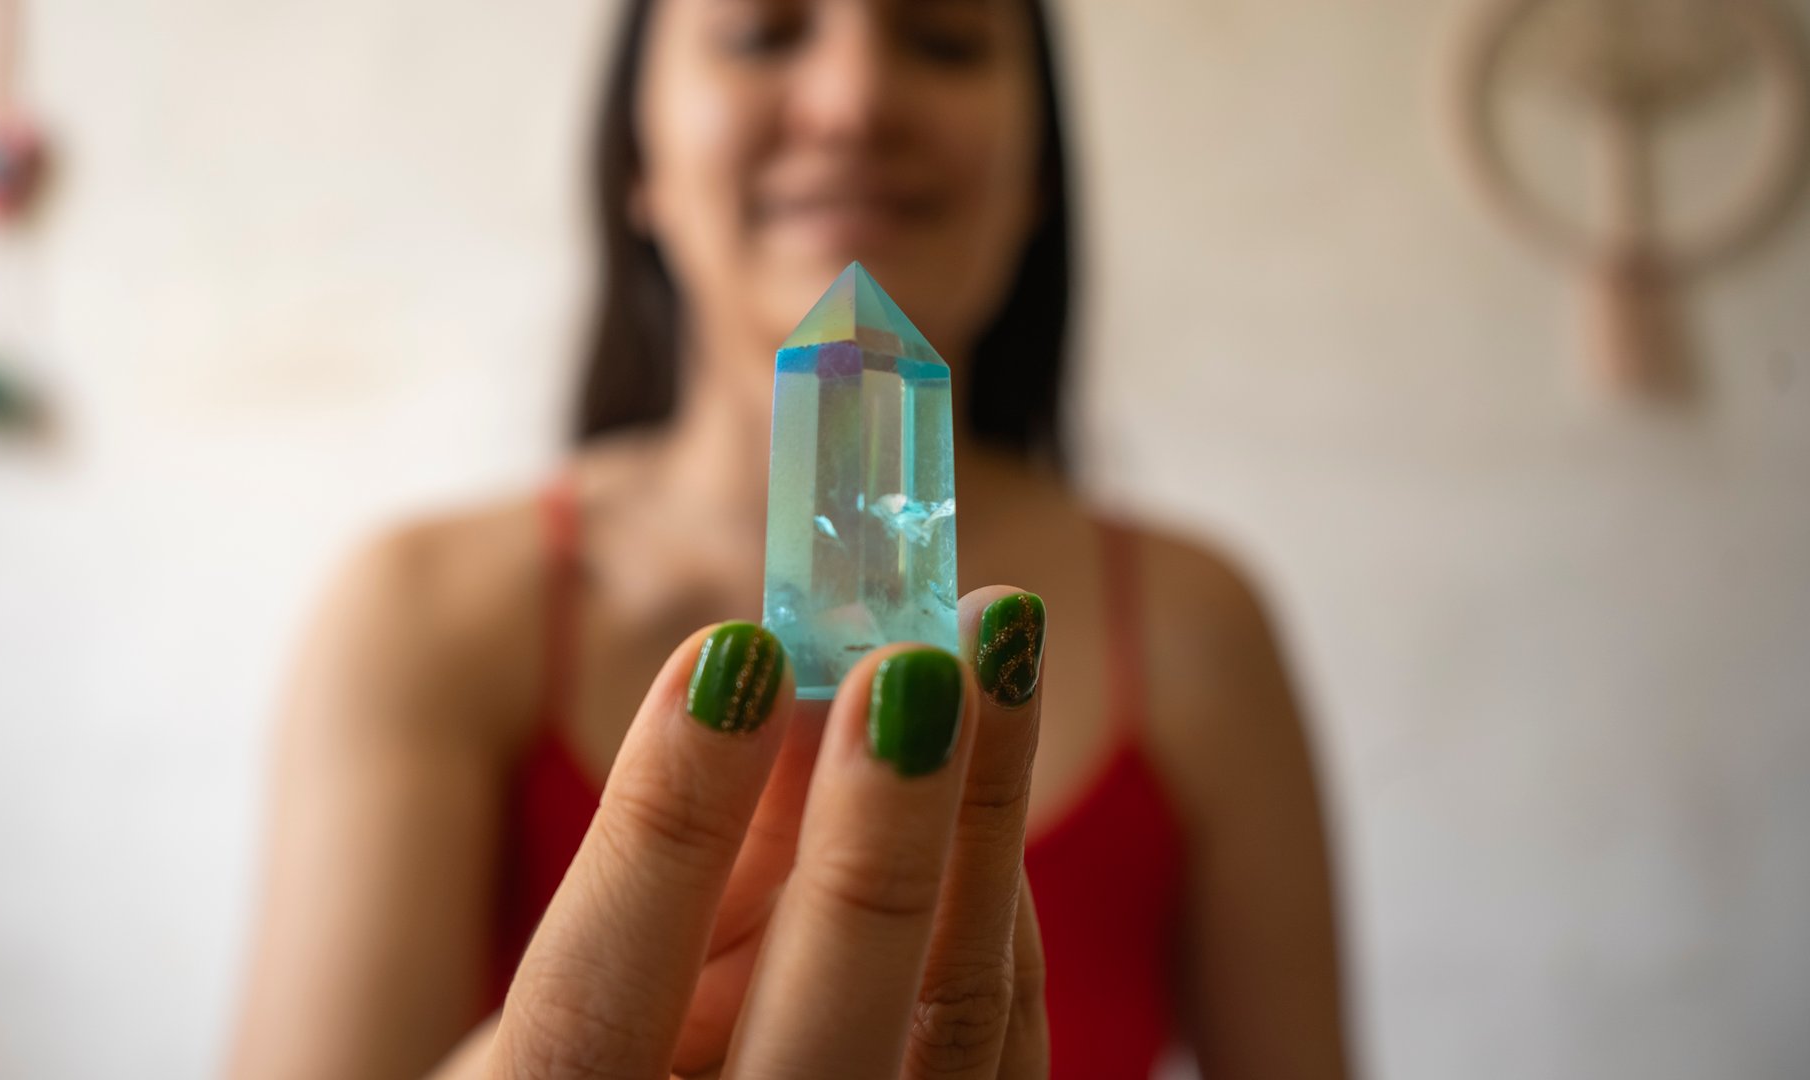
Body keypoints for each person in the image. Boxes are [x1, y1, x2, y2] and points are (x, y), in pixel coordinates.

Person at [227, 0, 1351, 1077]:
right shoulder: (423, 608)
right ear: (637, 157)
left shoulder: (1201, 627)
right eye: (762, 33)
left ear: (1040, 173)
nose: (855, 100)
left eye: (948, 39)